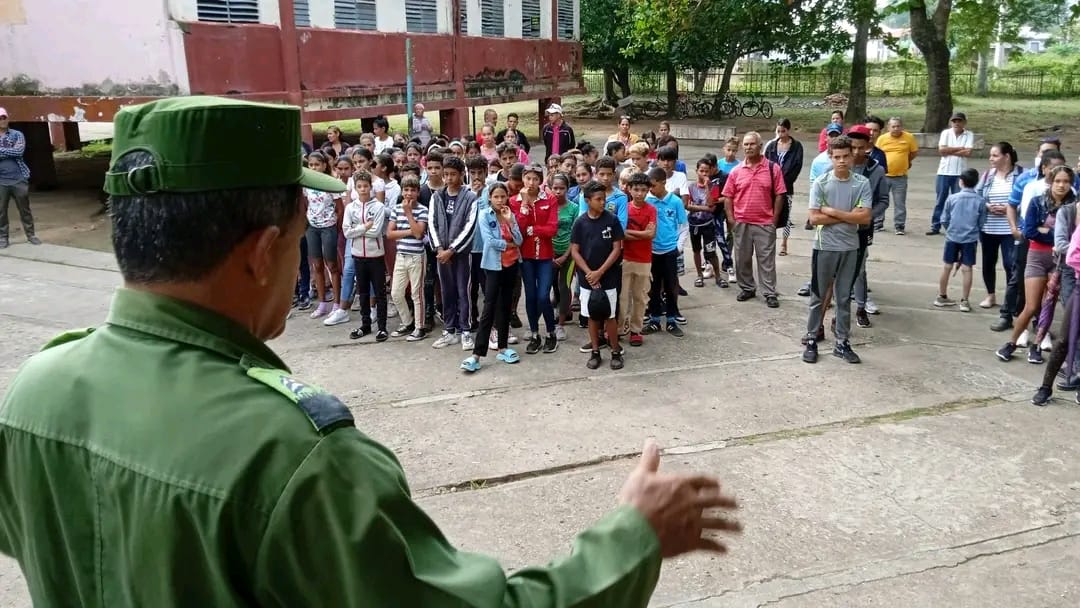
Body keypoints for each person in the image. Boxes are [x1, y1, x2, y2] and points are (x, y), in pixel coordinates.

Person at [0, 96, 742, 605]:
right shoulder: (292, 457)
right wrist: (631, 538)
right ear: (263, 252)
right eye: (296, 238)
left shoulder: (35, 390)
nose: (301, 258)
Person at [996, 165, 1077, 364]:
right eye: (1058, 181)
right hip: (1036, 257)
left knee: (1047, 305)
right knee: (1031, 305)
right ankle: (1012, 342)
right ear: (1050, 181)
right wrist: (1056, 239)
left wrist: (1047, 233)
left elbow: (1073, 237)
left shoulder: (1074, 206)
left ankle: (1037, 345)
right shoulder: (1037, 202)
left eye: (1066, 181)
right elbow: (1029, 231)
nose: (1061, 185)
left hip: (1059, 262)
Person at [802, 136, 872, 365]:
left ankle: (842, 342)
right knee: (818, 296)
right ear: (830, 157)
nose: (841, 161)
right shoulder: (821, 183)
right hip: (824, 247)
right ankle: (812, 338)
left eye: (845, 156)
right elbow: (814, 217)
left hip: (850, 248)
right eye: (837, 157)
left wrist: (831, 211)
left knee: (843, 298)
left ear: (852, 156)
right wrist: (849, 216)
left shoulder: (861, 183)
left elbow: (865, 217)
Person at [461, 182, 523, 372]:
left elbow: (520, 239)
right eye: (496, 196)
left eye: (503, 196)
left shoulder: (509, 215)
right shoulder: (484, 215)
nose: (499, 200)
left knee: (505, 306)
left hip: (511, 265)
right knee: (489, 308)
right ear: (490, 197)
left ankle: (503, 348)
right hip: (494, 266)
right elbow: (490, 241)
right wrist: (510, 245)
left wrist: (510, 222)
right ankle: (476, 355)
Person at [722, 132, 787, 308]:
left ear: (760, 146)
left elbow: (780, 195)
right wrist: (731, 219)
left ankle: (769, 292)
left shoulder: (773, 168)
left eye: (752, 144)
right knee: (742, 258)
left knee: (766, 260)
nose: (748, 147)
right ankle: (747, 288)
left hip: (765, 223)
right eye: (746, 144)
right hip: (741, 222)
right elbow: (728, 196)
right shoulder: (736, 171)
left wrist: (774, 220)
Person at [572, 181, 627, 370]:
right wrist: (589, 273)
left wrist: (600, 272)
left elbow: (617, 248)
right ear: (588, 201)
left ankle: (615, 351)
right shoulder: (580, 223)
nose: (603, 202)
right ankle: (596, 351)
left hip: (609, 276)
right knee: (592, 316)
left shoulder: (611, 220)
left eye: (604, 199)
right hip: (588, 279)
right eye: (598, 199)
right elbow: (575, 251)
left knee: (610, 315)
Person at [428, 155, 480, 350]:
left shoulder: (470, 197)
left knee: (463, 291)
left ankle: (465, 330)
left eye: (453, 174)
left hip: (461, 255)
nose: (449, 178)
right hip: (442, 255)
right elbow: (431, 224)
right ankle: (449, 330)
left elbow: (470, 227)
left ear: (461, 175)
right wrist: (440, 249)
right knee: (446, 291)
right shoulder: (437, 196)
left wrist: (452, 250)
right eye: (446, 174)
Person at [513, 164, 560, 354]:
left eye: (535, 179)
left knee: (543, 296)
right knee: (530, 296)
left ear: (541, 181)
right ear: (523, 179)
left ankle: (551, 332)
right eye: (528, 178)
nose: (531, 183)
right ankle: (534, 334)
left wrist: (535, 230)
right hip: (526, 256)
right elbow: (518, 230)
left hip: (545, 256)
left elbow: (552, 228)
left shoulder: (550, 199)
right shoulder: (514, 201)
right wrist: (524, 206)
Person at [342, 170, 389, 342]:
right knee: (362, 292)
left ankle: (382, 327)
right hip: (358, 256)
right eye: (359, 187)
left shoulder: (378, 207)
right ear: (355, 188)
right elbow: (346, 232)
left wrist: (357, 229)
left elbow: (376, 231)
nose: (362, 190)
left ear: (371, 187)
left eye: (365, 186)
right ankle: (365, 324)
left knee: (380, 292)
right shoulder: (350, 208)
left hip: (375, 255)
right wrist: (363, 227)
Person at [977, 142, 1023, 310]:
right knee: (988, 262)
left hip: (1010, 228)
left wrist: (1009, 209)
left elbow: (1027, 201)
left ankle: (1012, 299)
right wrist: (987, 206)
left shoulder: (1021, 175)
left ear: (1007, 157)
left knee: (1010, 263)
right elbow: (978, 195)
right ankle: (990, 295)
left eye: (995, 155)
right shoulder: (988, 175)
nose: (991, 159)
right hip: (988, 227)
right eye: (991, 155)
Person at [934, 169, 987, 313]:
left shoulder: (952, 198)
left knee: (947, 266)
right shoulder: (980, 201)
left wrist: (950, 229)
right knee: (967, 268)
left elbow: (944, 218)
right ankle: (964, 301)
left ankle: (942, 295)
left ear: (961, 182)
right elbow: (982, 222)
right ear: (976, 183)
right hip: (970, 238)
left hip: (952, 236)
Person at [644, 166, 689, 338]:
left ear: (663, 183)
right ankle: (655, 320)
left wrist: (678, 246)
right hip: (653, 251)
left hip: (670, 251)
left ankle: (671, 320)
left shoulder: (675, 202)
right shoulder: (649, 201)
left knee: (671, 287)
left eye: (653, 185)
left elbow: (684, 226)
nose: (650, 189)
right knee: (654, 288)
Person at [388, 175, 430, 341]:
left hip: (416, 256)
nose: (409, 193)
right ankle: (407, 322)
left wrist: (408, 214)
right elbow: (389, 233)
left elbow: (419, 234)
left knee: (416, 293)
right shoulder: (396, 209)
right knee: (396, 292)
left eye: (413, 190)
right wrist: (409, 232)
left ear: (418, 192)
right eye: (406, 190)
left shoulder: (422, 210)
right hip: (401, 255)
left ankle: (420, 327)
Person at [302, 151, 344, 320]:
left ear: (324, 165)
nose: (313, 168)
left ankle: (337, 303)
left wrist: (337, 226)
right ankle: (322, 303)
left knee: (332, 264)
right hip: (312, 227)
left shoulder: (331, 183)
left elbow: (339, 208)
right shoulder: (307, 185)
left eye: (317, 164)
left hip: (328, 227)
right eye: (311, 165)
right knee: (316, 265)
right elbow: (306, 204)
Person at [621, 172, 657, 347]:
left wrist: (631, 234)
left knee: (640, 297)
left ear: (648, 191)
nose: (640, 193)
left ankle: (636, 330)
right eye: (636, 189)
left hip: (644, 260)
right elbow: (621, 233)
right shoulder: (625, 208)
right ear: (629, 189)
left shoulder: (651, 210)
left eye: (643, 190)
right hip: (625, 258)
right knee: (622, 297)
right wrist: (642, 234)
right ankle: (621, 328)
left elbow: (651, 234)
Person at [928, 112, 974, 235]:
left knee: (958, 201)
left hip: (960, 173)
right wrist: (960, 148)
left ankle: (955, 226)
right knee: (940, 200)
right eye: (954, 121)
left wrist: (950, 150)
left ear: (964, 122)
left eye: (959, 121)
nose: (957, 123)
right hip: (944, 171)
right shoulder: (946, 133)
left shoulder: (969, 134)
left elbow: (968, 152)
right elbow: (942, 150)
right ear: (951, 122)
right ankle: (935, 226)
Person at [763, 119, 804, 256]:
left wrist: (784, 180)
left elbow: (797, 167)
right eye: (778, 131)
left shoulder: (796, 146)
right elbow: (766, 163)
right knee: (770, 215)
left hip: (786, 186)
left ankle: (784, 243)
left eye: (783, 131)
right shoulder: (772, 146)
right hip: (771, 186)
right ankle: (770, 240)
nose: (781, 134)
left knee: (786, 216)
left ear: (788, 130)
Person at [0, 108, 39, 248]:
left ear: (8, 118)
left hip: (18, 178)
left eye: (4, 117)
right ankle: (3, 238)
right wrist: (9, 151)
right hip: (1, 181)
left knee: (25, 209)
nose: (2, 120)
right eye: (0, 118)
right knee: (1, 211)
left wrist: (2, 151)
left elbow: (19, 151)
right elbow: (14, 151)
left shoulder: (17, 134)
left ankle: (31, 235)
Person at [876, 117, 919, 235]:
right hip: (884, 176)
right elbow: (877, 154)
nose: (896, 128)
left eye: (898, 126)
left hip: (900, 176)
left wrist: (905, 161)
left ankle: (899, 226)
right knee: (881, 200)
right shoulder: (882, 139)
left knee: (899, 202)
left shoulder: (909, 137)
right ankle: (878, 223)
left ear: (902, 127)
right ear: (888, 127)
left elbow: (914, 152)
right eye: (893, 126)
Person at [688, 159, 725, 289]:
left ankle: (718, 276)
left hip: (708, 224)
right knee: (696, 250)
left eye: (706, 171)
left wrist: (708, 187)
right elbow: (688, 206)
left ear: (711, 172)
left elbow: (711, 206)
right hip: (694, 224)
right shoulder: (691, 187)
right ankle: (699, 275)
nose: (704, 174)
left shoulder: (713, 187)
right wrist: (702, 208)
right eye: (701, 171)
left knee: (711, 251)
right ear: (696, 171)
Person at [550, 173, 578, 341]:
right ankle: (550, 318)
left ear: (567, 189)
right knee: (549, 286)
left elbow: (575, 235)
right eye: (555, 188)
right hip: (549, 254)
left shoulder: (574, 208)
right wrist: (551, 256)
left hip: (569, 253)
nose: (558, 191)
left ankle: (560, 324)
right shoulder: (547, 206)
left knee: (564, 286)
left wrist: (565, 256)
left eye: (562, 188)